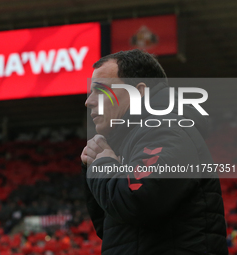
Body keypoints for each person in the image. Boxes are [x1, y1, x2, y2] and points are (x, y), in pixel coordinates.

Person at [81, 49, 228, 255]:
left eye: (101, 90)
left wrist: (102, 165)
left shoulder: (168, 129)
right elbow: (108, 224)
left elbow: (136, 200)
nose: (89, 101)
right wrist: (95, 163)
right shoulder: (131, 139)